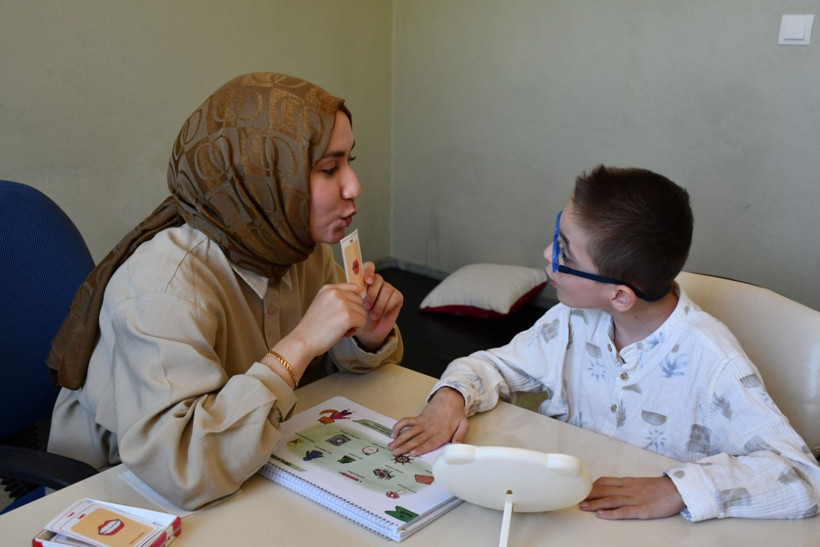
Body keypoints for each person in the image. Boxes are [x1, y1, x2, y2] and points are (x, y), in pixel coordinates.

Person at [45, 72, 404, 510]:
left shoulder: (295, 245)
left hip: (240, 470)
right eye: (330, 168)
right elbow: (182, 467)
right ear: (263, 178)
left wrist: (364, 335)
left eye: (349, 161)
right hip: (119, 495)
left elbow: (332, 365)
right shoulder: (163, 286)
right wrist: (302, 342)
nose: (354, 186)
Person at [389, 165, 820, 521]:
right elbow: (495, 367)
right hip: (566, 514)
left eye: (564, 253)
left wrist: (678, 490)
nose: (546, 253)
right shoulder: (572, 321)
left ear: (618, 296)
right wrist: (449, 398)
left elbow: (802, 477)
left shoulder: (713, 362)